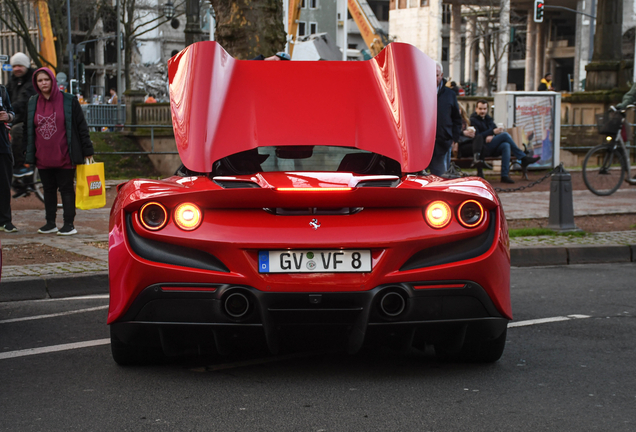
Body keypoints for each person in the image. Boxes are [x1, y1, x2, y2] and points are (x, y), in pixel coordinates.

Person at [23, 68, 95, 236]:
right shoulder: (33, 102)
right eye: (40, 81)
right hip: (43, 156)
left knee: (66, 189)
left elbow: (81, 126)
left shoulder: (69, 100)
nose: (43, 83)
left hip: (65, 154)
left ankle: (69, 224)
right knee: (48, 190)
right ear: (36, 83)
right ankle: (50, 223)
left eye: (46, 80)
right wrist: (28, 152)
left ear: (53, 80)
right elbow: (28, 128)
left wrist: (87, 150)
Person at [470, 99, 540, 184]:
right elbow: (477, 135)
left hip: (492, 146)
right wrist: (492, 132)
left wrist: (493, 134)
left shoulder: (488, 119)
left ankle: (504, 175)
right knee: (505, 135)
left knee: (506, 145)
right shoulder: (473, 120)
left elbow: (494, 129)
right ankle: (523, 157)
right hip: (482, 148)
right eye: (480, 109)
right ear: (476, 109)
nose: (482, 111)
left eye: (484, 109)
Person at [428, 61, 462, 176]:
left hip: (443, 142)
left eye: (437, 75)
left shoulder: (450, 94)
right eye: (431, 74)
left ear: (441, 75)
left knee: (441, 177)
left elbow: (457, 118)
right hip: (423, 144)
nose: (434, 78)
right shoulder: (421, 91)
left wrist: (454, 138)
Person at [6, 52, 36, 179]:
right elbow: (5, 95)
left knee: (17, 131)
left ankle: (22, 165)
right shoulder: (14, 79)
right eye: (14, 66)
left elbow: (24, 101)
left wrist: (9, 111)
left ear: (26, 66)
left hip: (32, 118)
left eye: (20, 66)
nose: (16, 69)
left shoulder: (33, 80)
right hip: (17, 117)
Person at [0, 84, 18, 232]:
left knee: (4, 184)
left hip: (2, 144)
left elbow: (11, 112)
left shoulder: (2, 90)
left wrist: (8, 116)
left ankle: (5, 220)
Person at [456, 104, 492, 172]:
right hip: (459, 145)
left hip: (468, 142)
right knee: (481, 147)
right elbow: (451, 133)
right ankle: (479, 168)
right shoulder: (451, 121)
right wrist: (463, 133)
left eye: (459, 109)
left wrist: (471, 134)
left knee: (479, 139)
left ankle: (476, 161)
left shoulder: (466, 121)